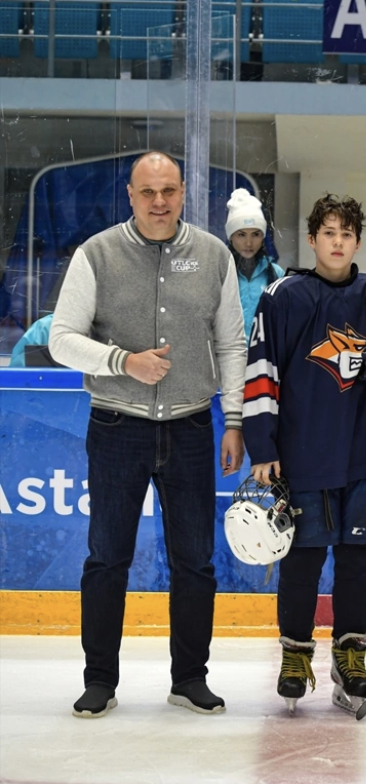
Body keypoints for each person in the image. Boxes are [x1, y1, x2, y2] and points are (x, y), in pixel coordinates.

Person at [49, 151, 248, 719]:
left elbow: (232, 344)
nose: (159, 202)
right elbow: (63, 338)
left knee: (195, 562)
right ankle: (99, 680)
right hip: (116, 427)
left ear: (184, 192)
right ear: (130, 196)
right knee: (106, 558)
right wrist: (121, 361)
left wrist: (232, 421)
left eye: (169, 190)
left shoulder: (213, 256)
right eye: (147, 192)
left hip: (190, 427)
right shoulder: (98, 254)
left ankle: (189, 678)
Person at [242, 193, 366, 714]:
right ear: (312, 239)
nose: (338, 242)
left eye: (347, 234)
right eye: (328, 233)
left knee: (356, 563)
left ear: (357, 240)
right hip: (301, 454)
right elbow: (260, 370)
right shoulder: (283, 295)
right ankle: (295, 653)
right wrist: (262, 445)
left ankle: (350, 655)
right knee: (301, 561)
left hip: (364, 454)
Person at [225, 187, 285, 341]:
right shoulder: (221, 272)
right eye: (241, 235)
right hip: (228, 357)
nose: (249, 242)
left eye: (256, 234)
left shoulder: (275, 274)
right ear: (231, 237)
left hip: (265, 358)